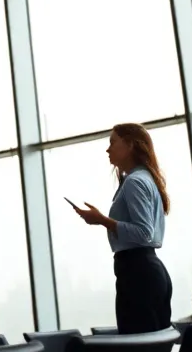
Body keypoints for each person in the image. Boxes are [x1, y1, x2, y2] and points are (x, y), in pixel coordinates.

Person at [71, 123, 173, 334]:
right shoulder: (145, 179)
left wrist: (102, 220)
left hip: (138, 274)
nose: (108, 149)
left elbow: (144, 233)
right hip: (146, 270)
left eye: (112, 143)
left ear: (129, 145)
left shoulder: (134, 182)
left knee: (139, 350)